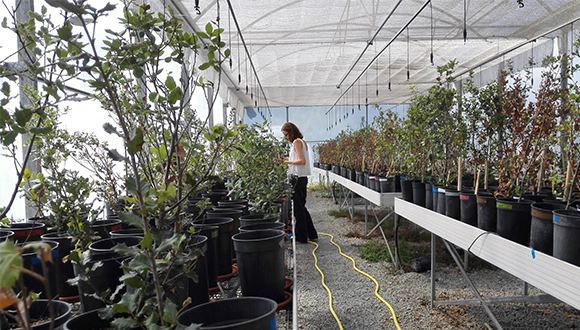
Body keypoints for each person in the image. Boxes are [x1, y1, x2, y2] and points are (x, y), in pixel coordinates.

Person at [281, 122, 318, 243]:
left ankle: (301, 237)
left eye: (286, 135)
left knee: (298, 209)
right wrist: (286, 159)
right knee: (301, 207)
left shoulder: (297, 142)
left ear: (291, 132)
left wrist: (287, 163)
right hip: (302, 178)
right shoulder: (301, 142)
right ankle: (311, 234)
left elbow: (302, 161)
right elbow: (298, 159)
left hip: (297, 179)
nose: (286, 138)